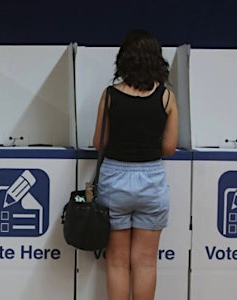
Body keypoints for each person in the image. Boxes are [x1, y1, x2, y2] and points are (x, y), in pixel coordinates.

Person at [92, 29, 179, 300]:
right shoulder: (166, 97)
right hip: (151, 181)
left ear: (124, 60)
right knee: (145, 263)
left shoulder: (110, 95)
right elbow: (169, 148)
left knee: (117, 262)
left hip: (115, 180)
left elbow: (99, 142)